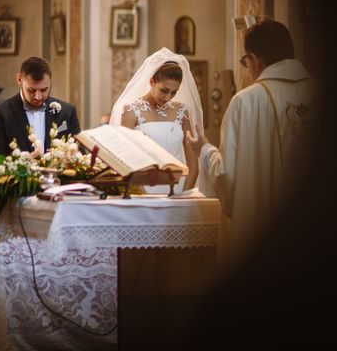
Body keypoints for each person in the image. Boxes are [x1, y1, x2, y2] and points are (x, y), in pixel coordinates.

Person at [187, 19, 319, 267]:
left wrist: (204, 149)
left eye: (245, 62)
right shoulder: (320, 92)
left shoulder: (246, 102)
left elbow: (229, 177)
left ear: (255, 59)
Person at [110, 47, 205, 194]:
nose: (168, 97)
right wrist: (143, 195)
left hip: (178, 189)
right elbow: (126, 160)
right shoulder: (131, 111)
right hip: (143, 190)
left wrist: (184, 196)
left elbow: (193, 166)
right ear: (151, 81)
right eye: (164, 90)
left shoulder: (182, 111)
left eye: (174, 92)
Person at [0, 56, 81, 159]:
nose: (38, 97)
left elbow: (80, 155)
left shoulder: (67, 112)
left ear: (50, 81)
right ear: (19, 80)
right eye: (31, 90)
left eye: (44, 90)